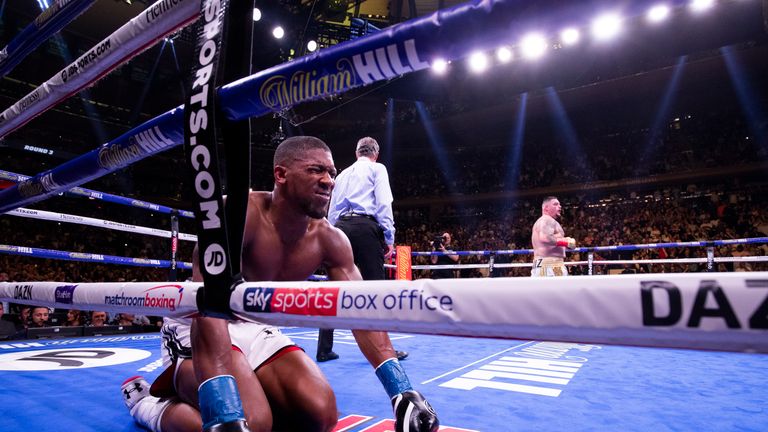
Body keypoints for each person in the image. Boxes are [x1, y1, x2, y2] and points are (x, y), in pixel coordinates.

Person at [122, 136, 438, 432]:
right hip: (202, 320)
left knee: (321, 413)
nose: (329, 180)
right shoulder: (238, 213)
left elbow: (359, 313)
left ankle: (248, 393)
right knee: (251, 422)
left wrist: (401, 391)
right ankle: (147, 404)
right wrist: (224, 406)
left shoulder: (331, 239)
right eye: (316, 170)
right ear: (281, 174)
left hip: (256, 327)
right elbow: (207, 303)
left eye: (331, 172)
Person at [319, 136, 407, 362]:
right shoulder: (377, 169)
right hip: (365, 227)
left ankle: (324, 348)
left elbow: (332, 208)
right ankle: (384, 351)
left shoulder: (344, 173)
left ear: (357, 152)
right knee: (374, 289)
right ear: (375, 154)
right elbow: (383, 203)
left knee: (335, 289)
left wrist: (331, 234)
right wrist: (389, 236)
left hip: (339, 228)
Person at [531, 196, 576, 277]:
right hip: (550, 265)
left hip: (543, 264)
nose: (559, 206)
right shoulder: (546, 219)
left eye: (559, 204)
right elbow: (545, 238)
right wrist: (566, 242)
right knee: (559, 289)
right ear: (546, 208)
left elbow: (551, 242)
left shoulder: (545, 221)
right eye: (555, 204)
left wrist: (566, 242)